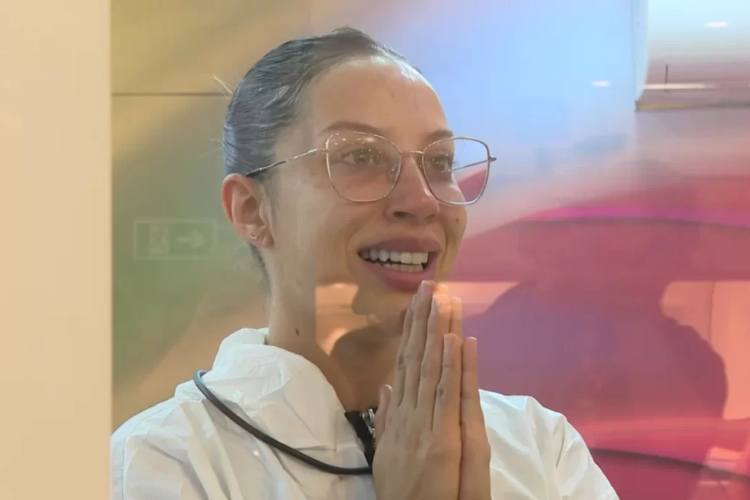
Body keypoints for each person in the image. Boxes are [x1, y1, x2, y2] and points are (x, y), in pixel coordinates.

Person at [111, 28, 618, 499]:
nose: (421, 201)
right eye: (361, 156)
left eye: (439, 162)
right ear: (252, 210)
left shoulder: (539, 447)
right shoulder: (162, 462)